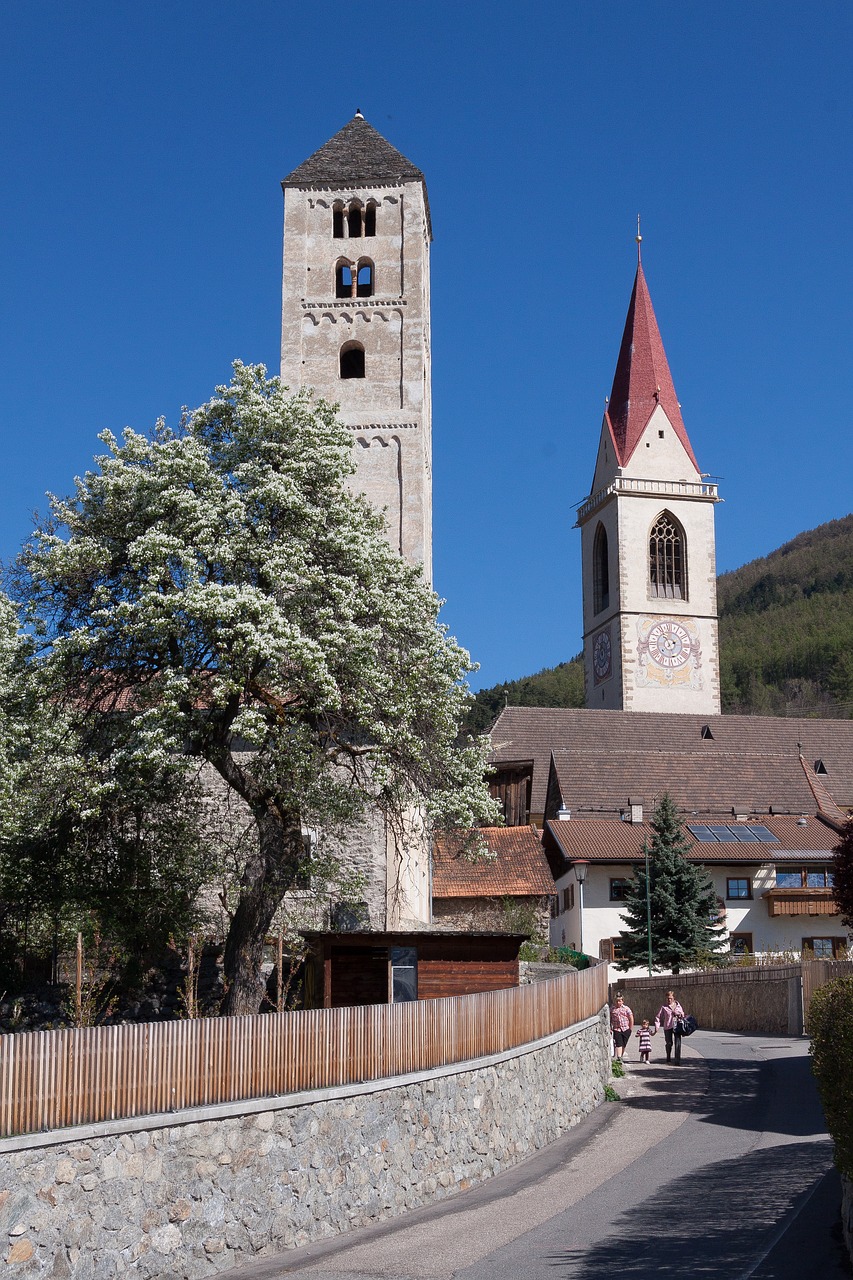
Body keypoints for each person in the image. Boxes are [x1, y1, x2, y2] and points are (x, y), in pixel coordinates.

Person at [655, 990, 685, 1064]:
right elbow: (658, 1017)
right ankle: (668, 1057)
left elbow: (683, 1014)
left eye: (670, 998)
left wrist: (678, 1014)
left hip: (677, 1026)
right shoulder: (664, 1007)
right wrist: (657, 1026)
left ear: (674, 998)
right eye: (668, 998)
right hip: (668, 1026)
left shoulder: (678, 1005)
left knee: (677, 1043)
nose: (669, 1000)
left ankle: (677, 1060)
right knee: (669, 1043)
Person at [610, 993, 634, 1061]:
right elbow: (609, 1019)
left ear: (622, 1001)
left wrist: (630, 1029)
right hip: (617, 1029)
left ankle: (621, 1056)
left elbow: (631, 1018)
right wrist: (610, 1028)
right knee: (618, 1043)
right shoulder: (612, 1009)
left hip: (626, 1029)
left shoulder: (626, 1009)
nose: (618, 1002)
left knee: (623, 1044)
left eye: (620, 1001)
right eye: (617, 1001)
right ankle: (619, 1057)